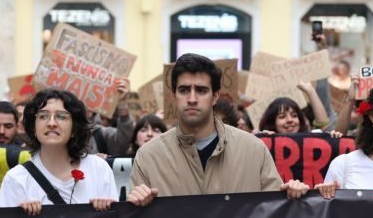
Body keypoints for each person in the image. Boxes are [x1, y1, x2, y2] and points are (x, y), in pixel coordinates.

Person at [130, 53, 308, 204]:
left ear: (215, 96)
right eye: (184, 90)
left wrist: (294, 196)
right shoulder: (147, 158)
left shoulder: (254, 150)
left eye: (201, 90)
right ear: (174, 96)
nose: (192, 99)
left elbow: (275, 214)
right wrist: (136, 205)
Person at [0, 89, 143, 214]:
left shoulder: (99, 169)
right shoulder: (16, 179)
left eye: (61, 116)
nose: (52, 123)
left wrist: (106, 213)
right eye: (43, 116)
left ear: (74, 129)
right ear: (33, 128)